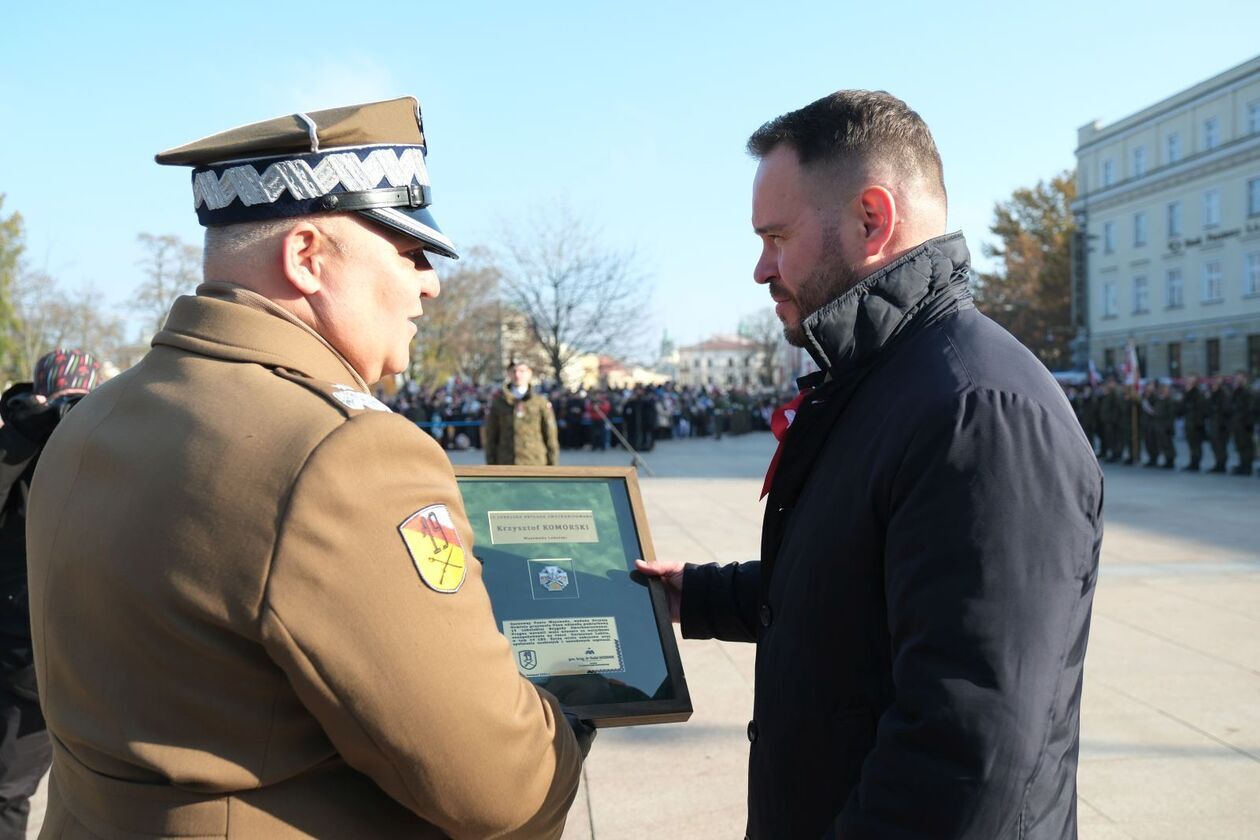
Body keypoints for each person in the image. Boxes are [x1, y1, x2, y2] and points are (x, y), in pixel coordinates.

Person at [26, 97, 588, 839]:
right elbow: (496, 786)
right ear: (306, 257)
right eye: (406, 250)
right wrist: (569, 723)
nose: (430, 283)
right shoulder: (345, 454)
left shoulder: (94, 416)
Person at [638, 90, 1102, 838]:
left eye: (777, 236)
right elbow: (855, 583)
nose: (761, 269)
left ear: (871, 220)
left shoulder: (977, 411)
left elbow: (963, 747)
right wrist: (701, 595)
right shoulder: (885, 381)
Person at [0, 349, 101, 839]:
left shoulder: (111, 438)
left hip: (94, 645)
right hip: (23, 648)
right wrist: (24, 429)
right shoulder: (17, 443)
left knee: (98, 790)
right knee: (9, 789)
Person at [483, 360, 559, 465]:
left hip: (534, 463)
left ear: (529, 373)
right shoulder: (499, 403)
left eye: (521, 371)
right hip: (506, 463)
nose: (517, 374)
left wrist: (552, 465)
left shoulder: (540, 402)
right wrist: (491, 464)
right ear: (509, 374)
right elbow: (491, 436)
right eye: (513, 371)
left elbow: (550, 435)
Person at [1181, 375, 1207, 470]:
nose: (1189, 382)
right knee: (1191, 445)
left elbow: (1200, 410)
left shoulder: (1198, 394)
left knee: (1196, 445)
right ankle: (1193, 462)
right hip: (1189, 423)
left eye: (1191, 380)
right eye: (1188, 380)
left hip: (1196, 424)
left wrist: (1198, 423)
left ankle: (1196, 463)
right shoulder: (1187, 393)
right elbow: (1183, 406)